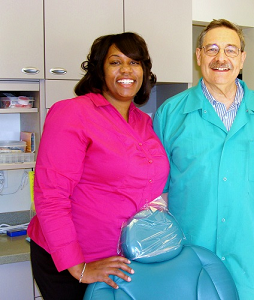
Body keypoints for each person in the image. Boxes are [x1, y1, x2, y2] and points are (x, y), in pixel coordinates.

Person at [27, 32, 169, 299]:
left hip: (121, 259)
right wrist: (78, 268)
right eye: (115, 62)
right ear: (99, 70)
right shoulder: (72, 113)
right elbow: (51, 195)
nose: (126, 70)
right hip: (72, 262)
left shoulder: (144, 122)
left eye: (135, 62)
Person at [153, 19, 254, 299]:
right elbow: (154, 193)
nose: (221, 58)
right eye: (211, 49)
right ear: (198, 55)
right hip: (189, 256)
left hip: (249, 257)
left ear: (242, 58)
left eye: (231, 50)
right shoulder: (170, 114)